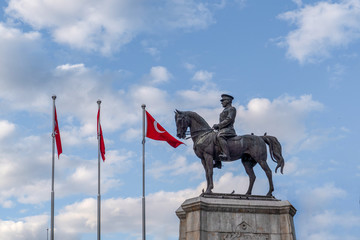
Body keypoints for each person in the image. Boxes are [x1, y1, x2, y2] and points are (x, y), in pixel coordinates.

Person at [212, 94, 237, 168]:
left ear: (228, 101)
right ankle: (217, 161)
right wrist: (217, 127)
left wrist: (218, 125)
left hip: (229, 129)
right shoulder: (224, 110)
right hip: (222, 129)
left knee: (220, 136)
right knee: (213, 137)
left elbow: (229, 119)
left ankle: (226, 154)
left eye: (223, 101)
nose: (222, 102)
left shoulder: (232, 109)